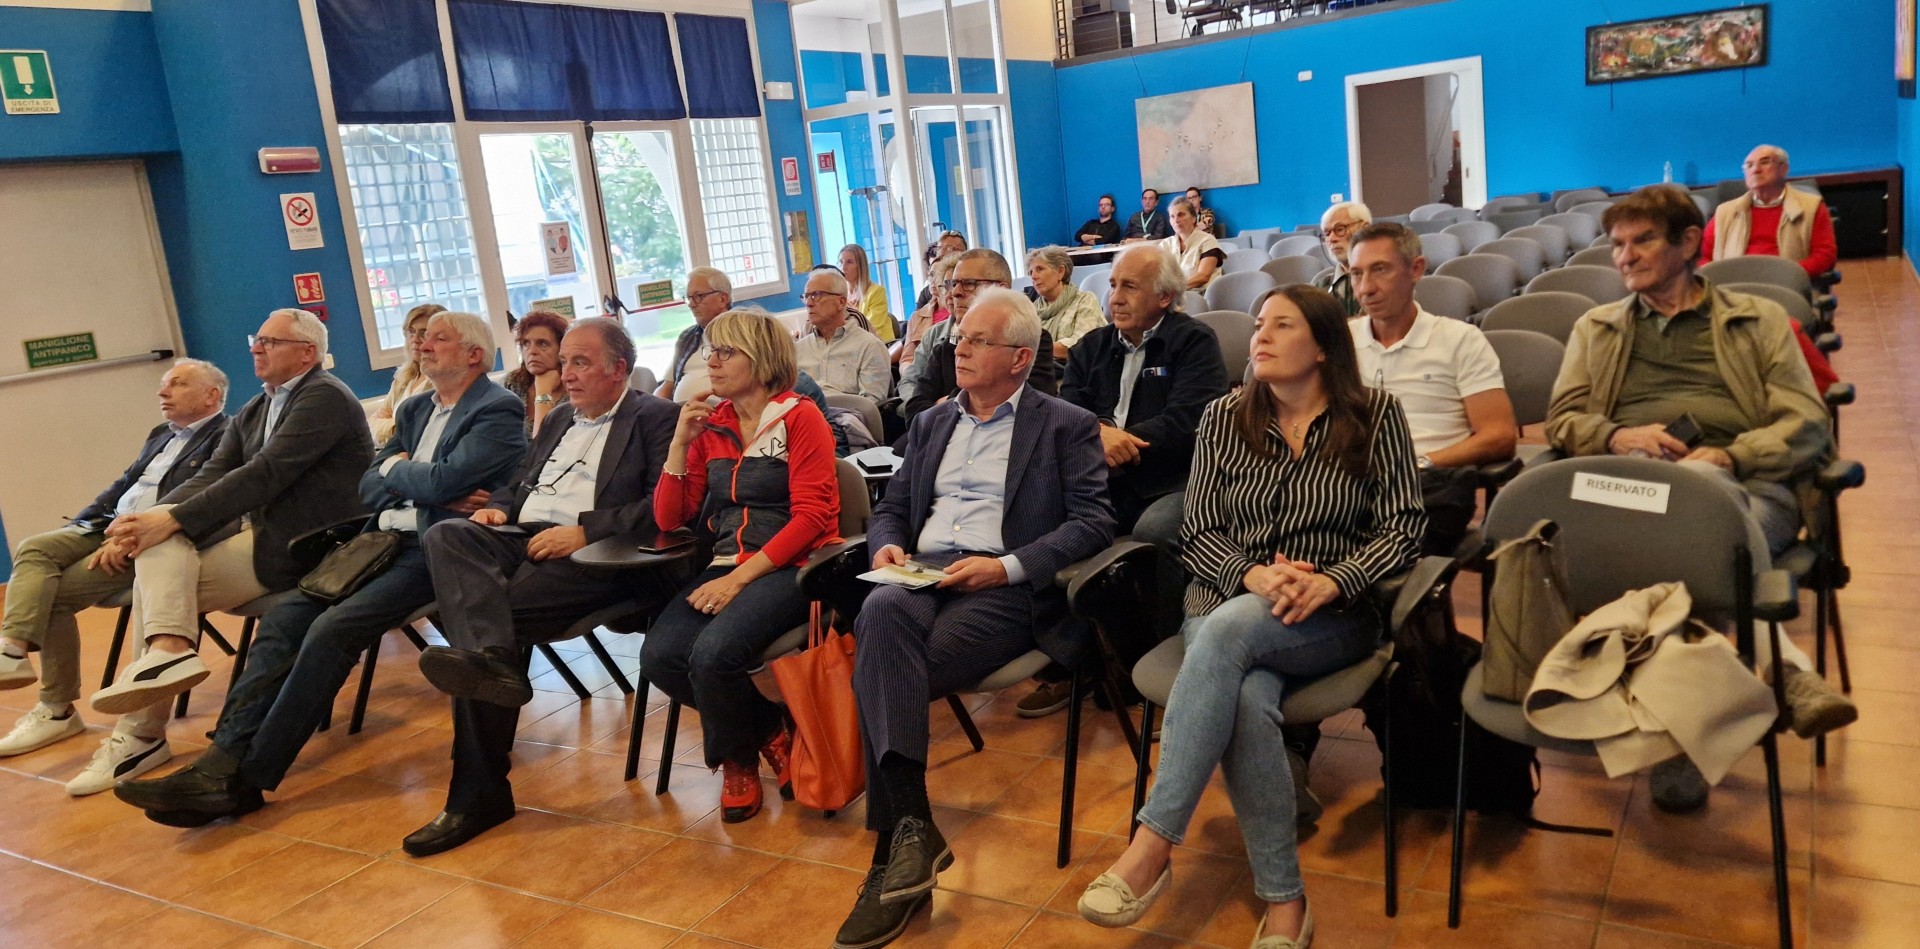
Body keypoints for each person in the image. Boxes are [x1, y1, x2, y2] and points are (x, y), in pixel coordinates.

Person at [1077, 284, 1425, 949]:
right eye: (1259, 322)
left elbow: (1404, 528)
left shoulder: (1375, 414)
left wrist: (1333, 579)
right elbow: (1199, 529)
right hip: (1224, 599)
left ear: (1322, 347)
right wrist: (1254, 575)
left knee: (1232, 632)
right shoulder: (1224, 417)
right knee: (1244, 689)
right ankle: (1285, 901)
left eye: (1281, 325)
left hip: (1332, 612)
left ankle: (1153, 841)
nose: (1259, 335)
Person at [111, 311, 527, 825]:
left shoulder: (497, 407)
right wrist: (406, 474)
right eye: (423, 338)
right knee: (285, 619)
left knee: (333, 630)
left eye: (439, 339)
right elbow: (369, 484)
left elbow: (443, 482)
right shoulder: (416, 407)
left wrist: (400, 471)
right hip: (374, 540)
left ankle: (242, 778)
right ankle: (222, 758)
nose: (423, 345)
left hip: (435, 548)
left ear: (475, 355)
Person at [1547, 184, 1857, 812]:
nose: (1625, 256)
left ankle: (1676, 743)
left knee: (1697, 503)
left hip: (1751, 489)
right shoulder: (1597, 328)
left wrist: (1732, 455)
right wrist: (1618, 435)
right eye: (1617, 244)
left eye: (1642, 240)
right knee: (1679, 528)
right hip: (1632, 487)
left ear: (1690, 242)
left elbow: (1806, 422)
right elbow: (1563, 420)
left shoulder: (1758, 320)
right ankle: (1783, 666)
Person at [831, 288, 1114, 949]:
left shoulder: (1065, 424)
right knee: (882, 605)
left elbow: (1094, 523)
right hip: (921, 574)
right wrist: (885, 547)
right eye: (960, 336)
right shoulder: (934, 422)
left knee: (880, 672)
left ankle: (892, 858)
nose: (959, 347)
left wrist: (1006, 567)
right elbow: (891, 508)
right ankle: (912, 833)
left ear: (1020, 358)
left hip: (1003, 589)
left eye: (979, 340)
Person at [407, 317, 680, 855]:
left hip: (596, 555)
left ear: (618, 369)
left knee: (484, 628)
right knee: (447, 535)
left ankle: (476, 795)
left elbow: (665, 506)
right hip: (524, 538)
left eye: (581, 362)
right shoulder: (558, 418)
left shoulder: (656, 417)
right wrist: (498, 507)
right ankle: (491, 662)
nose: (566, 373)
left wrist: (585, 531)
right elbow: (520, 481)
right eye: (565, 361)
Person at [88, 310, 373, 765]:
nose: (256, 348)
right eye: (256, 339)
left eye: (270, 342)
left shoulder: (325, 396)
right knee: (157, 561)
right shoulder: (258, 407)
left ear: (307, 353)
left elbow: (265, 474)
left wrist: (170, 519)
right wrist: (147, 520)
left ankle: (144, 730)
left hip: (315, 545)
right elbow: (213, 472)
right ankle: (165, 661)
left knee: (160, 586)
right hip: (267, 537)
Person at [642, 310, 841, 824]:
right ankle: (768, 729)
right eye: (711, 351)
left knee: (713, 655)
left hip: (795, 566)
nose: (712, 361)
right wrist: (680, 443)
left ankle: (738, 765)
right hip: (729, 563)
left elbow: (812, 517)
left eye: (726, 351)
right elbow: (669, 518)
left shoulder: (800, 417)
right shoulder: (714, 425)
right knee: (660, 656)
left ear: (763, 359)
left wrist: (738, 579)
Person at [0, 360, 229, 792]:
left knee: (50, 596)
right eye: (163, 385)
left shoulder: (227, 434)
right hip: (108, 525)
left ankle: (67, 711)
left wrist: (132, 532)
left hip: (154, 537)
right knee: (35, 548)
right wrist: (81, 525)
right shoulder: (160, 434)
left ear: (211, 395)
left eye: (177, 384)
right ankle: (16, 655)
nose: (163, 392)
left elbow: (199, 494)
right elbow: (124, 483)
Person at [1347, 221, 1517, 557]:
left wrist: (1418, 463)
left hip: (1426, 484)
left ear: (1416, 269)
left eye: (1380, 270)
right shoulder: (1342, 342)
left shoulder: (1459, 340)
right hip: (1352, 486)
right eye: (1356, 274)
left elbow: (1499, 436)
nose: (1365, 288)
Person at [1061, 243, 1229, 535]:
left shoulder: (1194, 342)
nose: (1115, 298)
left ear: (1164, 296)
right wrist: (1097, 435)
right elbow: (1067, 414)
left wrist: (1117, 444)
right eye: (1113, 285)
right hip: (1093, 478)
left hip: (1169, 481)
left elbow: (1187, 422)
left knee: (1154, 528)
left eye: (1130, 287)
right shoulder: (1089, 347)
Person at [901, 249, 1058, 423]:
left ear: (1001, 289)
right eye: (953, 284)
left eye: (969, 284)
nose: (955, 293)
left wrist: (944, 402)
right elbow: (915, 414)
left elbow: (1032, 405)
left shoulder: (1029, 341)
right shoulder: (945, 348)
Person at [1701, 145, 1838, 278]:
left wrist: (1790, 275)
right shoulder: (1725, 212)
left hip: (1787, 285)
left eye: (1765, 162)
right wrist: (1717, 276)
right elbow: (1701, 256)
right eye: (1749, 165)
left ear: (1784, 169)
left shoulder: (1811, 208)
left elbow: (1825, 255)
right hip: (1732, 284)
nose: (1755, 169)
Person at [796, 268, 890, 403]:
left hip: (848, 414)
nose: (808, 303)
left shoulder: (869, 346)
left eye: (817, 295)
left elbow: (871, 405)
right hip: (804, 415)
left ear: (841, 302)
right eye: (806, 296)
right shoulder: (798, 350)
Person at [369, 303, 444, 445]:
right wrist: (395, 426)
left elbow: (417, 431)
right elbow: (372, 424)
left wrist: (390, 424)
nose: (415, 339)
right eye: (411, 331)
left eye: (423, 333)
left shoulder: (441, 381)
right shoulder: (403, 378)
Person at [657, 267, 735, 402]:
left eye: (698, 296)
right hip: (680, 412)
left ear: (723, 299)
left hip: (723, 411)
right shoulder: (687, 337)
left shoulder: (744, 334)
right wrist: (654, 408)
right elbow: (666, 387)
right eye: (689, 298)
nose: (691, 304)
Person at [1028, 245, 1106, 360]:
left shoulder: (1085, 300)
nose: (1033, 276)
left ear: (1060, 271)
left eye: (1040, 269)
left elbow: (1082, 344)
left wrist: (1036, 348)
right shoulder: (1031, 310)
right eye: (1030, 272)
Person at [503, 309, 567, 434]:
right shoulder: (514, 383)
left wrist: (543, 390)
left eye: (542, 344)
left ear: (561, 348)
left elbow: (544, 442)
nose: (532, 351)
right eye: (526, 343)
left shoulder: (573, 389)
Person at [898, 252, 959, 371]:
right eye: (931, 274)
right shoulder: (918, 316)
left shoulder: (959, 315)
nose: (934, 279)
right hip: (921, 374)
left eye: (938, 274)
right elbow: (907, 359)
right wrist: (912, 377)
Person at [1313, 201, 1373, 316]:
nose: (1332, 239)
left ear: (1365, 228)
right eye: (1327, 233)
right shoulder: (1321, 288)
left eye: (1340, 229)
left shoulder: (1388, 279)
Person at [1160, 197, 1227, 290]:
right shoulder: (1165, 244)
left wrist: (1175, 289)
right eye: (1172, 216)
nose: (1176, 220)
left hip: (1201, 293)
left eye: (1181, 215)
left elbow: (1203, 276)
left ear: (1193, 218)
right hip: (1174, 294)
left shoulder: (1208, 240)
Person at [841, 243, 895, 343]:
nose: (843, 267)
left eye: (849, 262)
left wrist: (855, 314)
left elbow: (871, 327)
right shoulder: (840, 296)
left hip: (878, 344)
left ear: (860, 266)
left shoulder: (876, 292)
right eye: (841, 262)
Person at [915, 231, 969, 311]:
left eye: (949, 248)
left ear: (964, 253)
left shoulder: (971, 284)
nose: (941, 253)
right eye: (939, 249)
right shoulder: (927, 292)